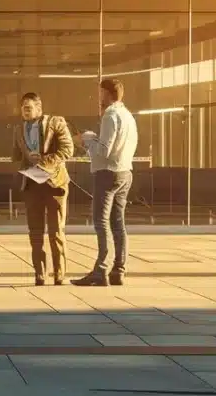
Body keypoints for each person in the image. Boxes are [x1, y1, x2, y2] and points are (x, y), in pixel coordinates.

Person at [73, 78, 137, 287]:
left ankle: (100, 271)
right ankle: (118, 270)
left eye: (100, 92)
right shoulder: (128, 115)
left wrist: (87, 138)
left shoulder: (111, 115)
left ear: (107, 94)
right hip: (125, 172)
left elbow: (104, 150)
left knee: (101, 223)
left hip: (107, 174)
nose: (98, 97)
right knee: (118, 223)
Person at [10, 93, 74, 286]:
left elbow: (67, 150)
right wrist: (25, 159)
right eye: (22, 108)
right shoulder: (18, 129)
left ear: (39, 108)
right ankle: (39, 272)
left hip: (54, 183)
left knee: (56, 231)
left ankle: (59, 273)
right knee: (35, 232)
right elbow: (15, 155)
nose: (24, 111)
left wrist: (44, 161)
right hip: (31, 184)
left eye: (28, 107)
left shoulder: (56, 122)